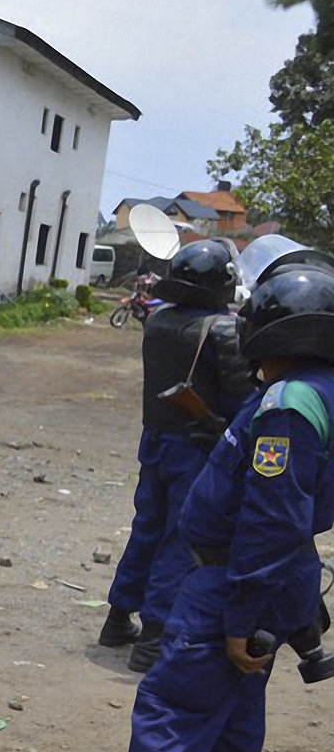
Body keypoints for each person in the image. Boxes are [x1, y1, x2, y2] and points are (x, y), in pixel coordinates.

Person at [47, 256, 334, 752]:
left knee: (171, 703)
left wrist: (239, 618)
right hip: (266, 577)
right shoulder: (319, 392)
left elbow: (271, 517)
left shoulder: (289, 404)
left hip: (231, 579)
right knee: (235, 708)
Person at [100, 240, 254, 671]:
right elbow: (242, 399)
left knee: (147, 527)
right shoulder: (224, 330)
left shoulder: (159, 320)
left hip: (156, 440)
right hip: (198, 447)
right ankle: (153, 636)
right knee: (179, 538)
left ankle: (117, 617)